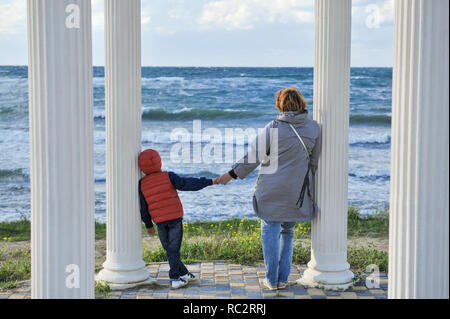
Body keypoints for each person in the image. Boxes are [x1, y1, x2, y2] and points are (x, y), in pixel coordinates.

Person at [216, 87, 322, 291]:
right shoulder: (313, 128)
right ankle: (283, 279)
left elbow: (253, 157)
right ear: (302, 104)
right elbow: (314, 163)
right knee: (288, 232)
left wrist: (231, 174)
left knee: (270, 229)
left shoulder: (273, 127)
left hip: (271, 189)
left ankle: (271, 280)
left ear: (280, 104)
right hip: (296, 191)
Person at [138, 149, 218, 289]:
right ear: (159, 162)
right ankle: (175, 278)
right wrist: (209, 182)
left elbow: (143, 207)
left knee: (170, 249)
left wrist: (148, 224)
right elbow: (188, 184)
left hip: (160, 222)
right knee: (173, 249)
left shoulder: (142, 184)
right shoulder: (169, 176)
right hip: (174, 218)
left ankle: (184, 273)